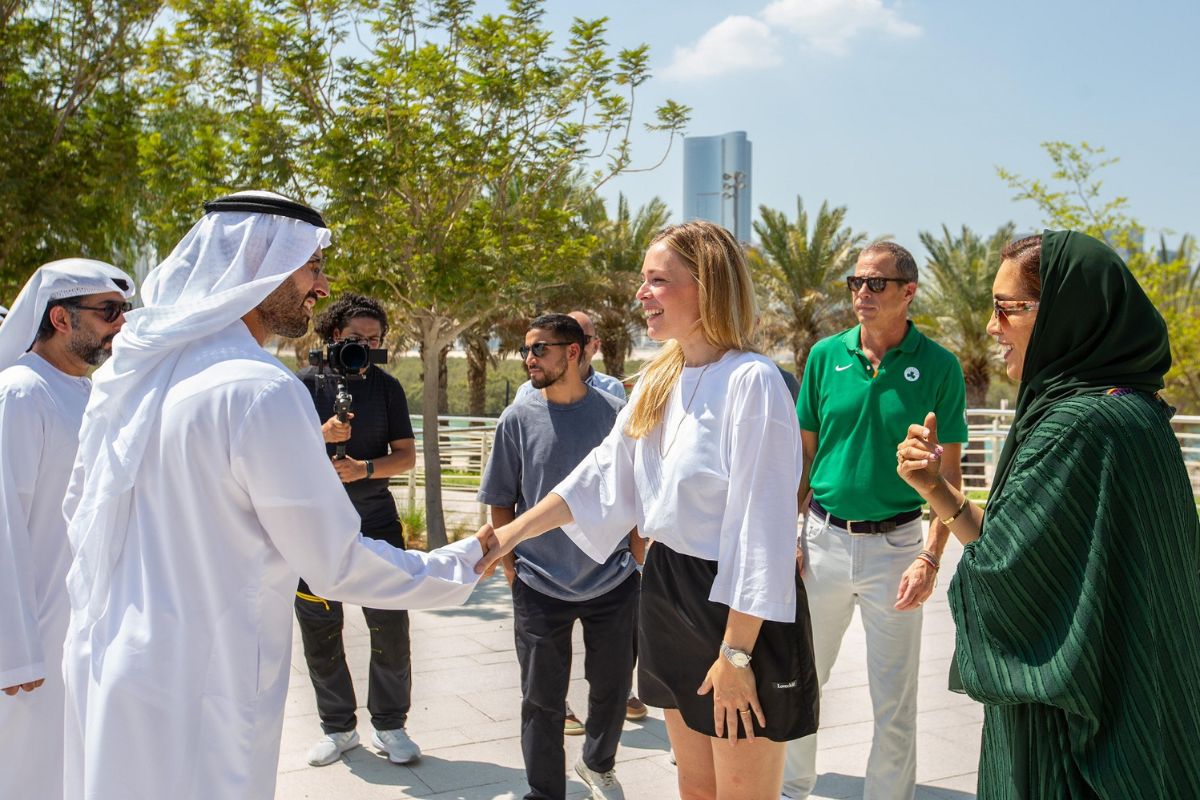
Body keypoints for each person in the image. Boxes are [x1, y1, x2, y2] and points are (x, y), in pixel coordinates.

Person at [61, 191, 484, 800]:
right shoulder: (258, 388)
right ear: (261, 264)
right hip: (200, 684)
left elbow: (80, 510)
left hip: (115, 663)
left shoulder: (141, 377)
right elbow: (334, 562)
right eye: (311, 266)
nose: (322, 284)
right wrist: (461, 561)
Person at [477, 220, 819, 800]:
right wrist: (508, 534)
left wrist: (736, 653)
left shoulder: (753, 381)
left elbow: (764, 528)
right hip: (666, 587)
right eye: (643, 280)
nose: (641, 295)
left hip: (737, 607)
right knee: (696, 788)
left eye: (657, 281)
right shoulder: (658, 377)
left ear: (706, 286)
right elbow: (601, 477)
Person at [896, 230, 1200, 799]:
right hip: (1127, 698)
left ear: (1066, 313)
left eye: (1008, 309)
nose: (992, 327)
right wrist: (936, 488)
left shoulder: (1076, 425)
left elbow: (1009, 584)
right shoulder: (1135, 412)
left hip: (1067, 724)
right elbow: (1018, 549)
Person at [783, 241, 968, 800]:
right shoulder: (823, 357)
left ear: (908, 292)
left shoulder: (939, 366)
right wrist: (787, 535)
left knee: (895, 697)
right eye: (855, 282)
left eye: (875, 283)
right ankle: (790, 789)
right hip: (822, 541)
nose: (861, 293)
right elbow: (803, 458)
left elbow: (950, 479)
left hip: (897, 548)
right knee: (801, 680)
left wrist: (931, 555)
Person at [479, 313, 638, 800]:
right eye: (526, 350)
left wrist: (637, 561)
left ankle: (598, 764)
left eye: (539, 349)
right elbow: (502, 499)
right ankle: (545, 792)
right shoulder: (517, 419)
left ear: (574, 352)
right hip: (539, 584)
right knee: (541, 700)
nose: (529, 359)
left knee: (611, 690)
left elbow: (633, 495)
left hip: (613, 582)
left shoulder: (616, 415)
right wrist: (512, 570)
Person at [0, 259, 134, 800]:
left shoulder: (83, 394)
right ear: (60, 318)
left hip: (79, 631)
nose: (120, 324)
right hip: (32, 642)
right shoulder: (20, 395)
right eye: (108, 311)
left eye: (123, 311)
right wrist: (14, 648)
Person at [294, 292, 424, 767]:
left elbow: (406, 455)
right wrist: (319, 435)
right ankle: (339, 728)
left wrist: (364, 468)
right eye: (355, 339)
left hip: (376, 523)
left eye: (373, 339)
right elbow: (274, 453)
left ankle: (390, 725)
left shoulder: (388, 388)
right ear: (333, 336)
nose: (365, 346)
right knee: (320, 627)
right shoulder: (302, 386)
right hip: (315, 528)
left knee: (390, 624)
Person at [513, 310, 626, 403]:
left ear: (595, 346)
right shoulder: (527, 391)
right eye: (526, 350)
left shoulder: (612, 390)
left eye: (584, 340)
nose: (576, 346)